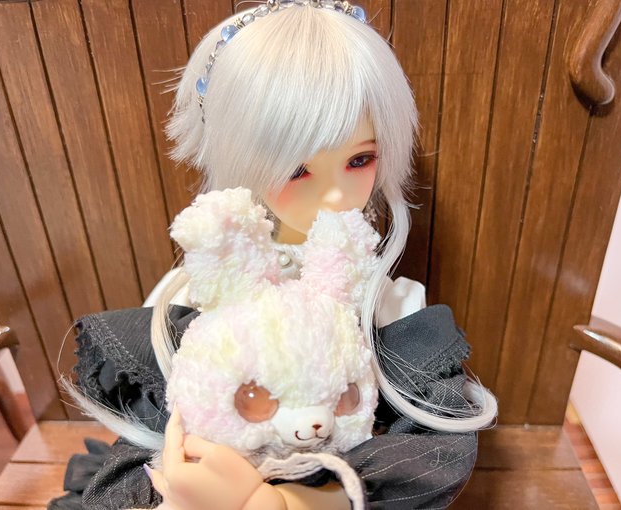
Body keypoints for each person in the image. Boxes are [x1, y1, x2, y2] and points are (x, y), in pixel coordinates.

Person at [50, 2, 497, 509]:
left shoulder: (388, 306)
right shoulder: (197, 297)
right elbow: (157, 446)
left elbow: (432, 454)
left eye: (360, 159)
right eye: (298, 170)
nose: (335, 194)